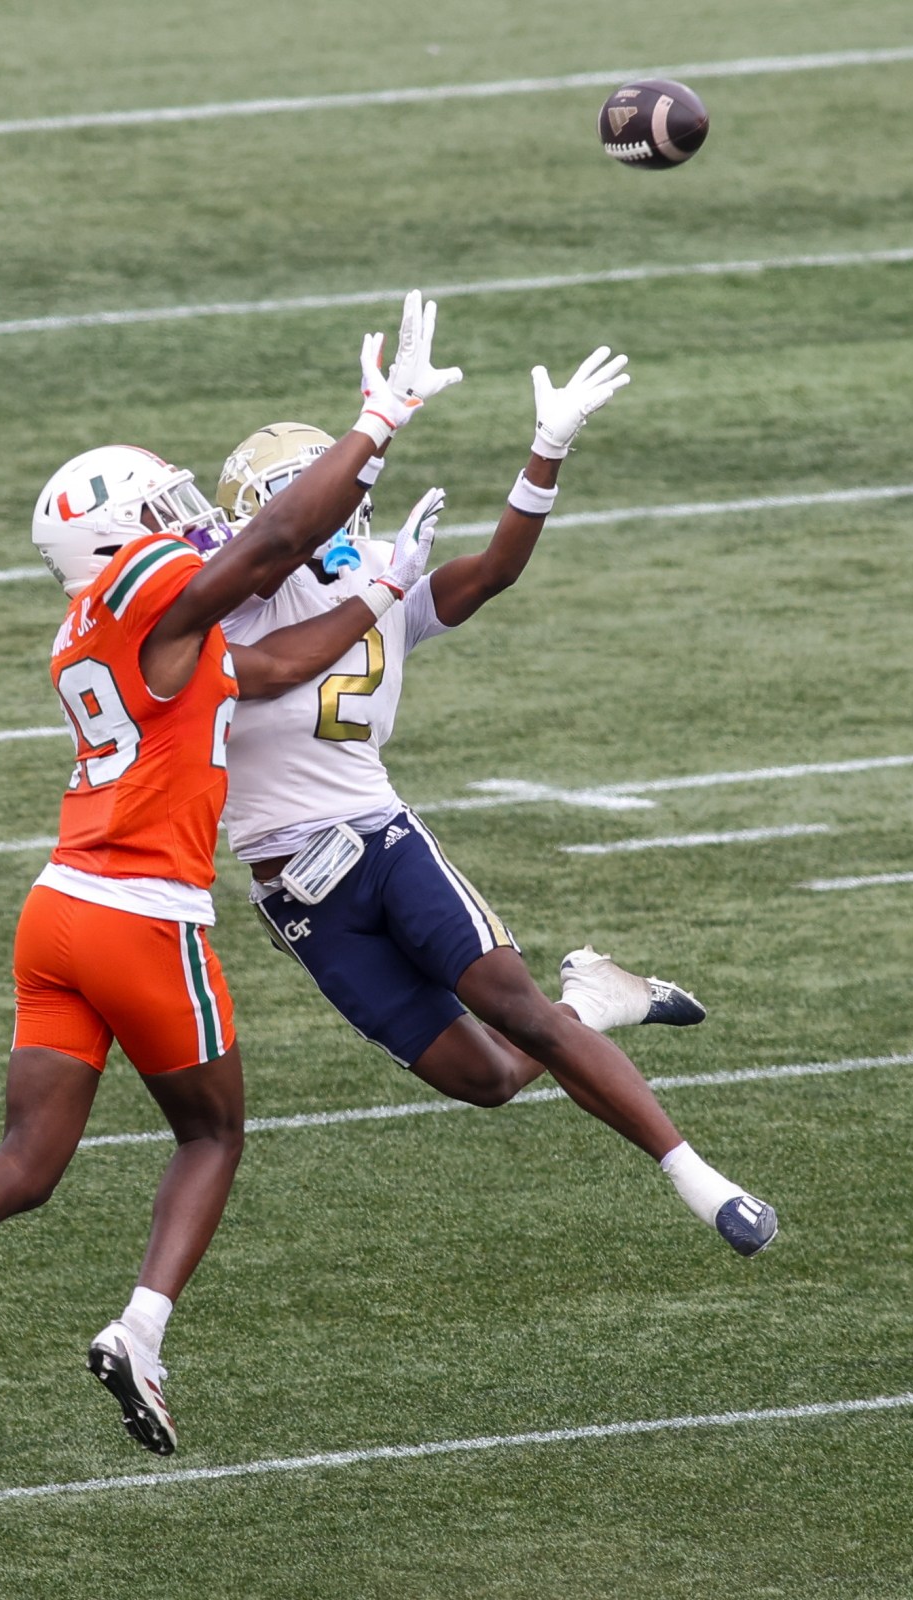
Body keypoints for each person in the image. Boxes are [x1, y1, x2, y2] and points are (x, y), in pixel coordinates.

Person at [0, 293, 462, 1457]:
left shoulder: (94, 626)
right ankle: (139, 1330)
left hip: (58, 908)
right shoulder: (143, 599)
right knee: (211, 1135)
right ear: (122, 533)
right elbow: (270, 548)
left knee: (29, 1158)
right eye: (158, 505)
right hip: (144, 917)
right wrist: (374, 423)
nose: (183, 513)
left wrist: (383, 589)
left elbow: (267, 663)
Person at [215, 345, 779, 1259]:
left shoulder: (379, 579)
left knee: (518, 1010)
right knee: (487, 1078)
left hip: (383, 843)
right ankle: (596, 998)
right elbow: (267, 620)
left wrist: (545, 450)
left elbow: (494, 572)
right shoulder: (221, 612)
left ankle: (698, 1177)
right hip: (296, 897)